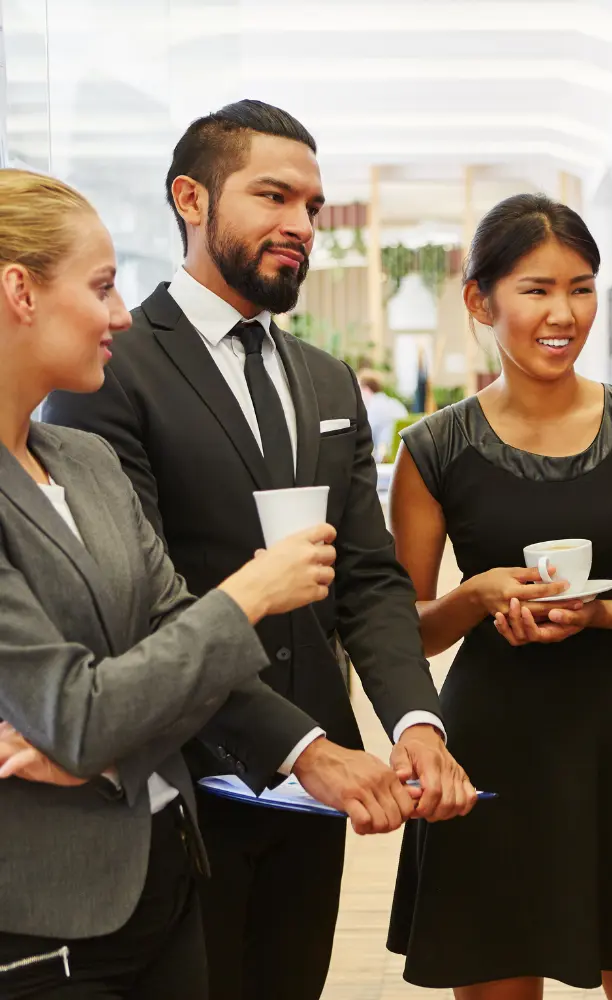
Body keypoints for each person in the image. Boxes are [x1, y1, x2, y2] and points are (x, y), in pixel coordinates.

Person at [43, 100, 475, 1000]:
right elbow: (137, 605)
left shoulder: (325, 380)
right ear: (190, 199)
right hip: (188, 778)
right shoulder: (106, 370)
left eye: (313, 207)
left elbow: (367, 577)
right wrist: (300, 746)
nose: (300, 226)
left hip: (321, 796)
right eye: (273, 196)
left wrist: (416, 723)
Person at [0, 169, 338, 998]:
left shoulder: (85, 460)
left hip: (166, 872)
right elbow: (82, 714)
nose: (120, 313)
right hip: (48, 923)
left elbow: (168, 642)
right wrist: (251, 594)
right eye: (102, 287)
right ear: (21, 292)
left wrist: (106, 733)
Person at [386, 193, 612, 999]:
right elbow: (404, 632)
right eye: (537, 289)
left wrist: (600, 613)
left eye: (581, 287)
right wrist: (474, 598)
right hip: (490, 745)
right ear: (481, 299)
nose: (563, 312)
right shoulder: (433, 448)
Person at [358, 368, 408, 461]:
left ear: (366, 389)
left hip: (384, 460)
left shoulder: (371, 408)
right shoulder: (396, 404)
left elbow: (363, 440)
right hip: (404, 459)